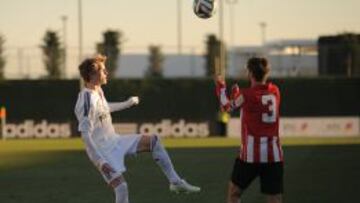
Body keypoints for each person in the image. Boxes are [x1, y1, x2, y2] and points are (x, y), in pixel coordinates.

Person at [74, 54, 200, 203]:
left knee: (154, 141)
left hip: (115, 141)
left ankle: (176, 182)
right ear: (92, 74)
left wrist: (127, 104)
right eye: (103, 70)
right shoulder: (86, 101)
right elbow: (85, 136)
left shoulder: (98, 91)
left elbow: (104, 108)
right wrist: (100, 162)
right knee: (121, 187)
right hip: (102, 151)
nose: (106, 73)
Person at [215, 57, 284, 203]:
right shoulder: (275, 91)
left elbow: (226, 107)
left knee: (234, 193)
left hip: (250, 156)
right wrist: (237, 96)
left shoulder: (246, 95)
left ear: (250, 73)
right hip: (274, 155)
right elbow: (256, 103)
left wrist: (221, 85)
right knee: (274, 198)